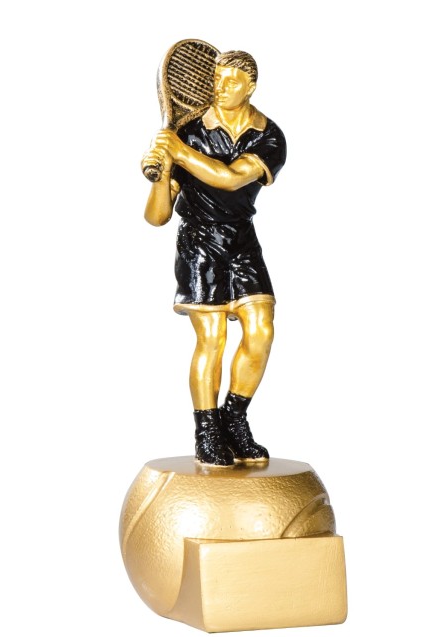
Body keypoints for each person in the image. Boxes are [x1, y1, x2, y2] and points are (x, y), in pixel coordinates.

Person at [142, 50, 286, 466]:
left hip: (242, 239)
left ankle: (234, 419)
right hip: (199, 242)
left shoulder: (269, 136)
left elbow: (230, 178)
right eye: (217, 79)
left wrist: (179, 152)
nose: (221, 88)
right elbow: (156, 217)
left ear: (251, 86)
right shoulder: (189, 132)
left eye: (231, 81)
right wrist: (162, 173)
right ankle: (207, 429)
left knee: (261, 331)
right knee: (212, 338)